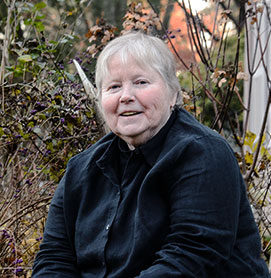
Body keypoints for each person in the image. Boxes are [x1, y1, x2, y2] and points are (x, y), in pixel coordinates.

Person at [32, 31, 270, 278]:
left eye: (141, 82)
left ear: (173, 93)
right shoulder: (81, 169)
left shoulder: (203, 154)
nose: (126, 96)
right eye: (113, 86)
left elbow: (191, 257)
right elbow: (54, 256)